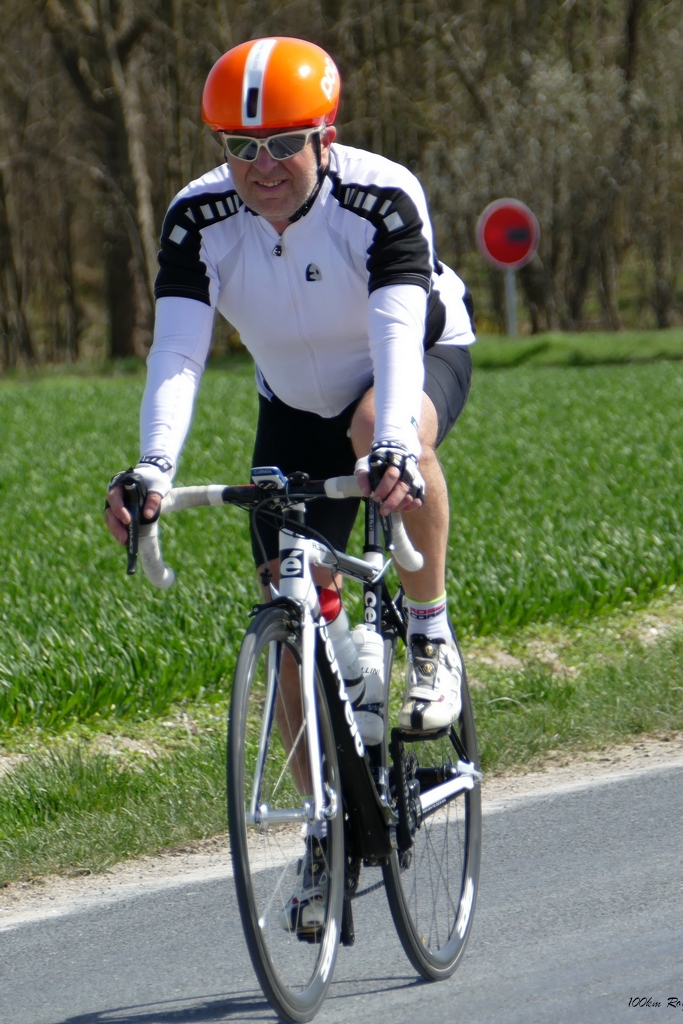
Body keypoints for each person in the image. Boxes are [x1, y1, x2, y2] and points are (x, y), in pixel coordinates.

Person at [105, 36, 474, 933]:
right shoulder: (197, 217)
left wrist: (393, 444)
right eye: (240, 146)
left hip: (411, 362)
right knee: (285, 608)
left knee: (373, 431)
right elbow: (178, 351)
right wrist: (152, 466)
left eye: (281, 144)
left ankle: (429, 633)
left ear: (325, 135)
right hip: (292, 402)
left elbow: (395, 331)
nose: (260, 166)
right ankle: (324, 828)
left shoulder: (381, 196)